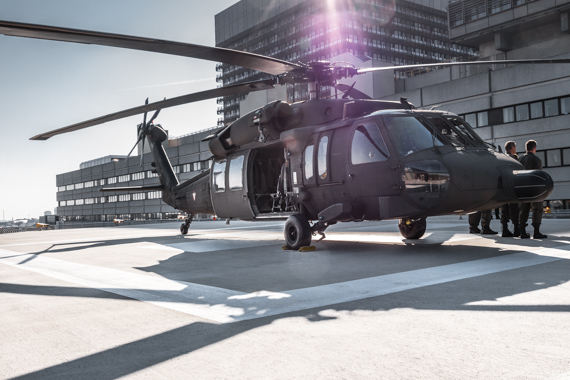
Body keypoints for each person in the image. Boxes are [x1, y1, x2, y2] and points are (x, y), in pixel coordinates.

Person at [518, 140, 547, 239]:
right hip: (534, 189)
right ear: (534, 148)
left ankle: (522, 232)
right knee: (537, 209)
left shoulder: (520, 159)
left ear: (526, 148)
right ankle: (536, 232)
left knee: (523, 210)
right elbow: (538, 175)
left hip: (522, 188)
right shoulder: (536, 159)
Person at [500, 141, 520, 237]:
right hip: (512, 186)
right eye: (515, 147)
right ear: (512, 148)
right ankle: (516, 228)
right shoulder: (514, 158)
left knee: (504, 209)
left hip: (503, 186)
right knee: (514, 209)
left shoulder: (502, 157)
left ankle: (504, 229)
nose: (515, 149)